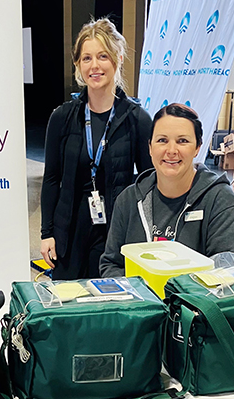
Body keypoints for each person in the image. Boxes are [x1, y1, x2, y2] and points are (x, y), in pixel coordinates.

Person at [40, 18, 153, 280]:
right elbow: (51, 179)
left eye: (103, 56)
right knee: (68, 306)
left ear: (118, 58)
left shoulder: (136, 119)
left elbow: (148, 181)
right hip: (70, 229)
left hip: (117, 230)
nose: (95, 66)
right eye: (87, 58)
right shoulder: (62, 118)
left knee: (109, 307)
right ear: (78, 63)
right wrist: (47, 233)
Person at [100, 104, 234, 277]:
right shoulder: (128, 200)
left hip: (195, 302)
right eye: (162, 140)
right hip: (142, 302)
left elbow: (224, 272)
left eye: (182, 141)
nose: (171, 151)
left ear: (197, 148)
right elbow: (111, 264)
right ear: (150, 147)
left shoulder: (219, 199)